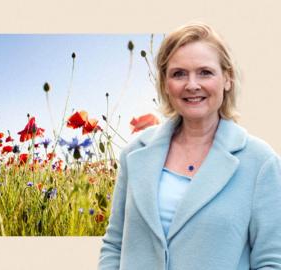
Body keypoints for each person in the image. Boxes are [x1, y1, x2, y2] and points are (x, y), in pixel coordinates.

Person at [98, 22, 281, 270]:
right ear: (165, 83)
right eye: (179, 73)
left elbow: (271, 260)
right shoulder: (135, 154)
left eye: (205, 72)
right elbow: (114, 246)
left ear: (227, 79)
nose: (192, 84)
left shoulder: (260, 162)